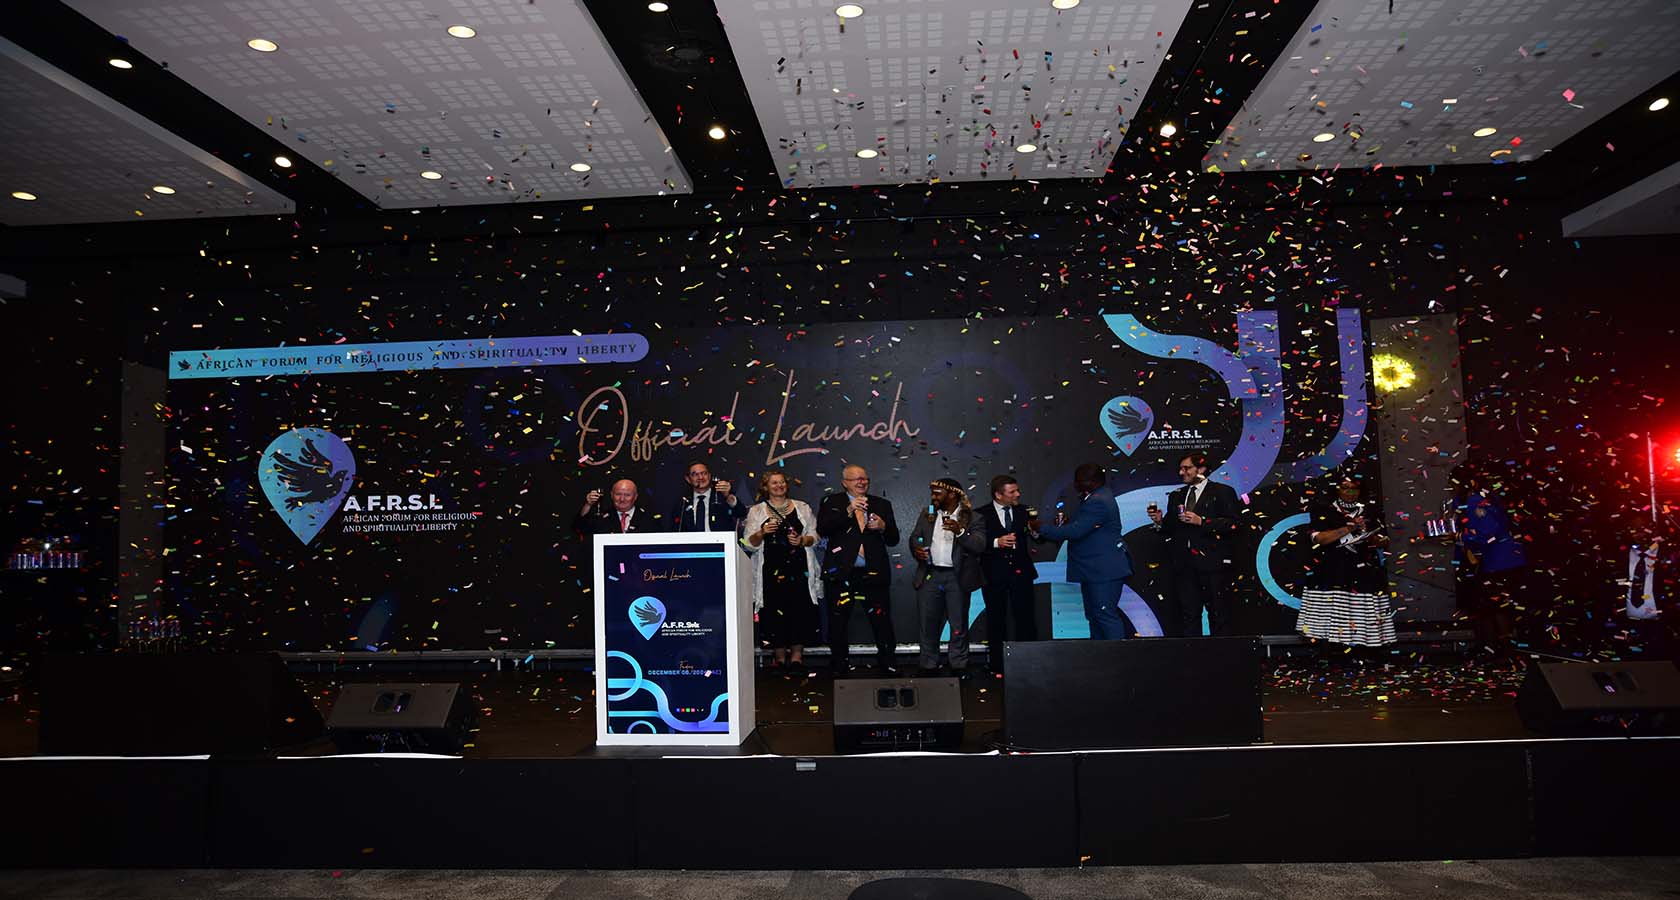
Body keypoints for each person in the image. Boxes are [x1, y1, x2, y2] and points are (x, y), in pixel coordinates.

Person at [816, 464, 900, 675]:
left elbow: (893, 539)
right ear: (845, 483)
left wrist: (883, 527)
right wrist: (848, 510)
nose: (862, 482)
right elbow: (823, 529)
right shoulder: (831, 502)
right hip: (840, 574)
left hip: (873, 573)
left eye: (864, 479)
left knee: (881, 621)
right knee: (837, 623)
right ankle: (839, 665)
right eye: (856, 479)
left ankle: (888, 663)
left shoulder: (881, 504)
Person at [1036, 463, 1135, 640]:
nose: (1076, 484)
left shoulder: (1098, 501)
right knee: (1095, 615)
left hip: (1103, 569)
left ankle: (1117, 655)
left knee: (1104, 615)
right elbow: (1083, 526)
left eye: (1081, 481)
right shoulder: (1095, 497)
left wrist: (1042, 528)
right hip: (1095, 569)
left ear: (1094, 482)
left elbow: (1076, 531)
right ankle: (1099, 653)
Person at [1296, 477, 1396, 649]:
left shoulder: (1371, 510)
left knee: (1365, 620)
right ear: (1337, 489)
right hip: (1331, 573)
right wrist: (1350, 527)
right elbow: (1319, 539)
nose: (1350, 492)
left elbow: (1384, 541)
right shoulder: (1324, 509)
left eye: (1354, 488)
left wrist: (1369, 535)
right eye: (1345, 488)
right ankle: (1328, 653)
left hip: (1364, 573)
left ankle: (1366, 653)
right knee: (1327, 623)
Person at [1149, 452, 1241, 636]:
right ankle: (1193, 652)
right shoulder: (1177, 495)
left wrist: (1202, 521)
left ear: (1202, 469)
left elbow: (1234, 524)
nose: (1181, 472)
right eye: (1180, 468)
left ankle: (1221, 651)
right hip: (1185, 565)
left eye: (1187, 468)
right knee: (1189, 614)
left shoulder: (1222, 491)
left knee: (1218, 612)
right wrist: (1160, 522)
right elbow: (1172, 527)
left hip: (1213, 564)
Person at [741, 471, 822, 670]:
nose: (779, 486)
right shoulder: (756, 511)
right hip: (770, 570)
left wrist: (802, 540)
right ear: (766, 487)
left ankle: (796, 658)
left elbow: (815, 537)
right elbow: (747, 544)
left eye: (782, 482)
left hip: (799, 569)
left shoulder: (802, 507)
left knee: (799, 610)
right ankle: (779, 658)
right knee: (773, 611)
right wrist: (762, 532)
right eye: (774, 483)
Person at [908, 478, 988, 676]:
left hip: (957, 577)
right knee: (927, 623)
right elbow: (915, 537)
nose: (933, 496)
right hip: (930, 575)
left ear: (952, 494)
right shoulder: (927, 514)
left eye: (938, 493)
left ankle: (958, 665)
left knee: (958, 624)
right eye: (933, 492)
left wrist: (959, 531)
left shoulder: (973, 517)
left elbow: (979, 545)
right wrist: (917, 549)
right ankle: (928, 665)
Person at [975, 474, 1039, 673]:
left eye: (1017, 490)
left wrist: (1036, 531)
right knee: (996, 619)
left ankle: (1028, 662)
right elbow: (973, 543)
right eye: (1012, 492)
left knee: (1026, 619)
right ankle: (997, 665)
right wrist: (996, 542)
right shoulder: (980, 514)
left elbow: (1038, 538)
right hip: (993, 575)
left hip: (1022, 574)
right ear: (998, 495)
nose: (1017, 494)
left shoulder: (1025, 512)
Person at [670, 461, 747, 533]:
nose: (700, 477)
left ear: (709, 476)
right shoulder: (683, 502)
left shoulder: (721, 496)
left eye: (704, 473)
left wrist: (727, 496)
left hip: (719, 541)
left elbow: (741, 512)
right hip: (692, 542)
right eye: (695, 474)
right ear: (688, 479)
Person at [573, 479, 653, 536]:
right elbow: (579, 528)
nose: (622, 499)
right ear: (611, 495)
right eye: (618, 494)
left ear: (635, 497)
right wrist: (588, 505)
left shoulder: (647, 519)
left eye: (627, 495)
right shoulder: (602, 518)